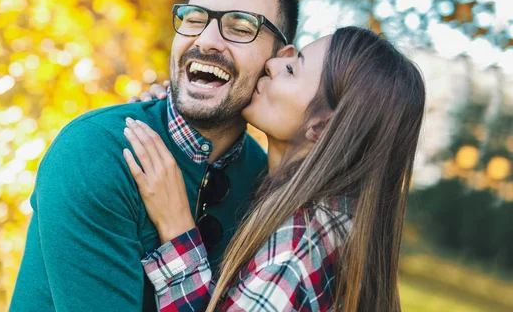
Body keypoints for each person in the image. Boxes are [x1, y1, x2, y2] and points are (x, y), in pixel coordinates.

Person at [9, 0, 299, 311]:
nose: (206, 41)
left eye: (240, 27)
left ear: (281, 60)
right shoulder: (96, 152)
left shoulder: (265, 187)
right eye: (195, 19)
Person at [123, 26, 426, 311]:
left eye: (292, 69)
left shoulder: (297, 250)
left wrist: (177, 229)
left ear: (322, 126)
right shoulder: (325, 216)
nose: (273, 64)